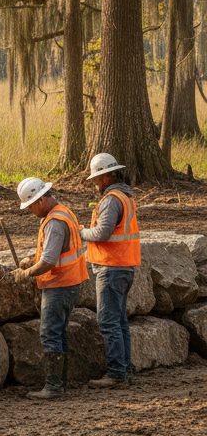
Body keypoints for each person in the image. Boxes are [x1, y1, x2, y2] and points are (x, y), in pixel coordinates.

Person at [12, 177, 88, 399]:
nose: (30, 211)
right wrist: (32, 259)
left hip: (59, 284)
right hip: (70, 282)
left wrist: (27, 273)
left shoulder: (54, 222)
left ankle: (53, 387)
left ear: (41, 200)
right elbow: (51, 253)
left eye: (31, 207)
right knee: (59, 332)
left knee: (50, 333)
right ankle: (59, 383)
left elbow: (49, 261)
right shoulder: (63, 212)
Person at [80, 153, 140, 388]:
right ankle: (124, 370)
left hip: (112, 267)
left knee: (108, 321)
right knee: (120, 321)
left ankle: (116, 373)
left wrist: (80, 233)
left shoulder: (111, 200)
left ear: (105, 176)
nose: (94, 183)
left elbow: (102, 233)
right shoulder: (124, 197)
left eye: (96, 179)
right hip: (124, 266)